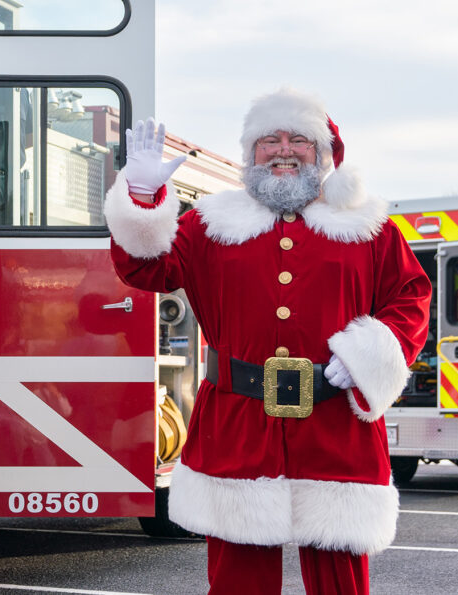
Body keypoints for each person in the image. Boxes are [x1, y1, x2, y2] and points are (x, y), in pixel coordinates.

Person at [103, 88, 432, 594]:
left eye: (299, 140)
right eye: (268, 140)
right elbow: (144, 269)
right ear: (249, 154)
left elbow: (410, 299)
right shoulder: (211, 223)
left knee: (341, 579)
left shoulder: (370, 228)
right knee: (239, 580)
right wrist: (142, 199)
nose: (283, 149)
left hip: (335, 422)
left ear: (323, 154)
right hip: (238, 422)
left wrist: (368, 354)